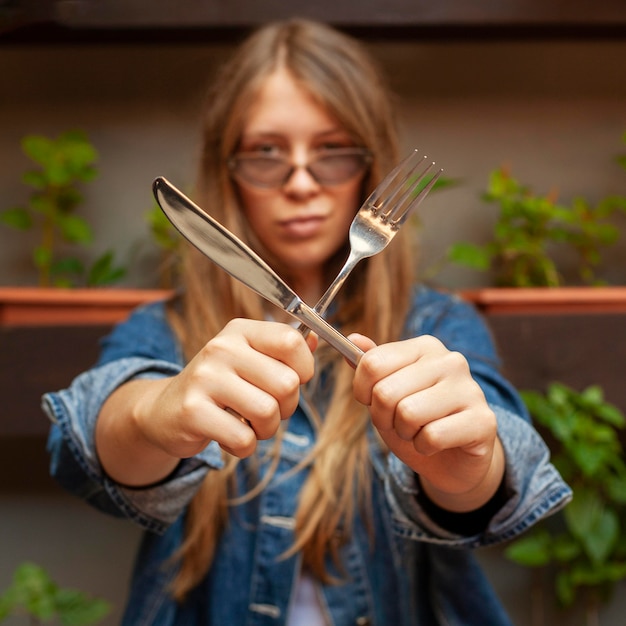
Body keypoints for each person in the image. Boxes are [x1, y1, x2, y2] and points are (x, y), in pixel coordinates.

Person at [43, 18, 571, 626]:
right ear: (229, 170)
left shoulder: (438, 323)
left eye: (333, 152)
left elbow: (491, 477)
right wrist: (153, 415)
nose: (300, 181)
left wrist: (471, 462)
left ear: (371, 167)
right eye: (267, 152)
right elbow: (88, 440)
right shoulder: (169, 328)